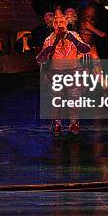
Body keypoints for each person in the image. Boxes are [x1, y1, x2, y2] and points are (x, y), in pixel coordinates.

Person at [37, 8, 91, 136]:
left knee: (74, 99)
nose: (59, 25)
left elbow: (86, 49)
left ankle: (73, 123)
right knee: (56, 99)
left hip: (73, 71)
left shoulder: (74, 35)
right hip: (56, 73)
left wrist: (73, 40)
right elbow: (40, 59)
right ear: (52, 24)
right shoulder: (49, 40)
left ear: (67, 22)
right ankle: (57, 123)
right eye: (56, 22)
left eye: (61, 22)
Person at [78, 0, 107, 74]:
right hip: (86, 37)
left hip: (87, 36)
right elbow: (87, 24)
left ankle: (102, 81)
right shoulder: (90, 8)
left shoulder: (88, 6)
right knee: (82, 58)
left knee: (94, 57)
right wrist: (100, 33)